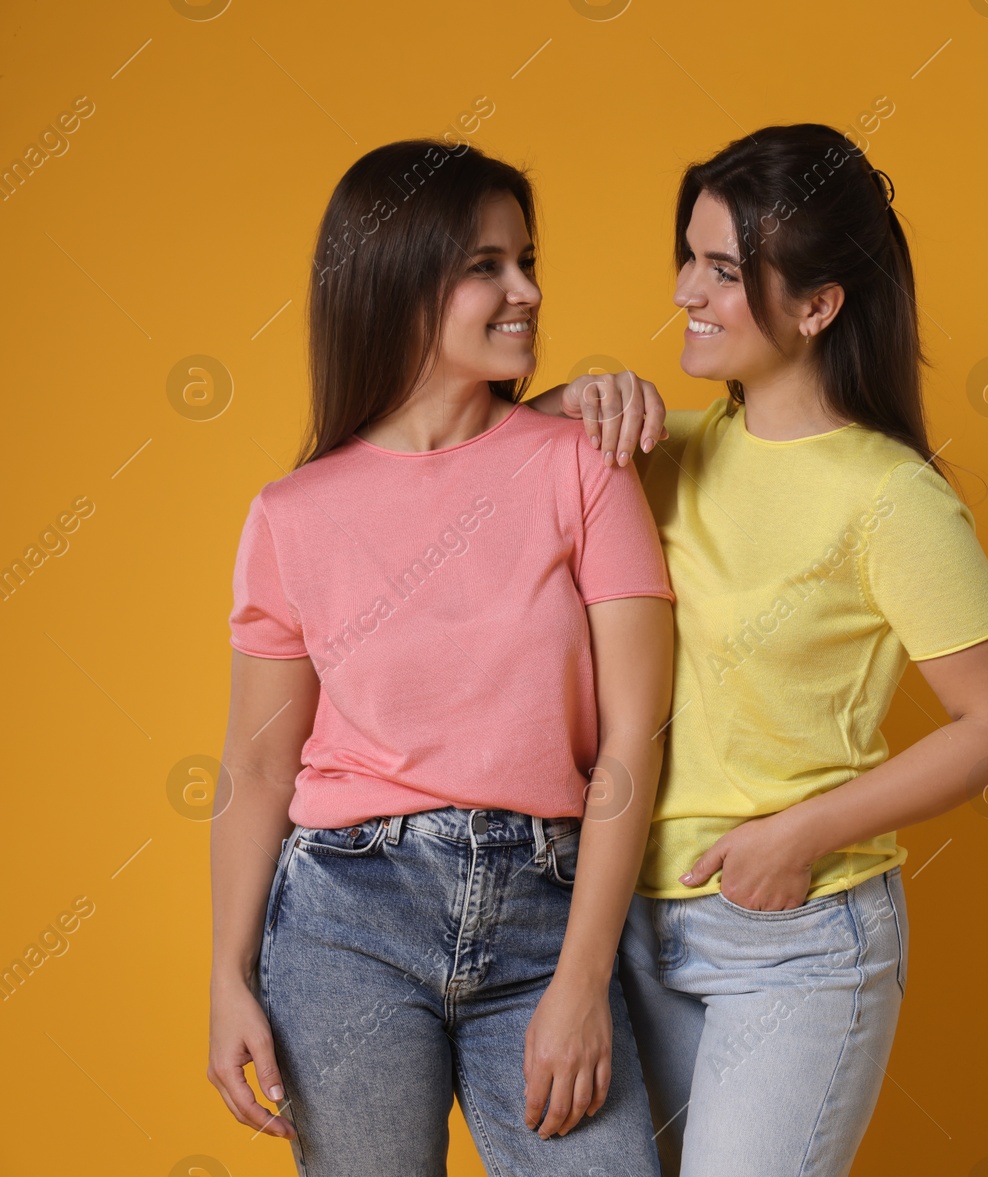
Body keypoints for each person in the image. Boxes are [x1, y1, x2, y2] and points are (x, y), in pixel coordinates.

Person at [531, 123, 988, 1177]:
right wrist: (561, 405)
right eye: (688, 255)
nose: (685, 289)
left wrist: (802, 832)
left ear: (817, 307)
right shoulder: (657, 451)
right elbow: (465, 474)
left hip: (795, 938)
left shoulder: (887, 499)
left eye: (723, 269)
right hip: (623, 928)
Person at [207, 138, 674, 1176]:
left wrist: (583, 977)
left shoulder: (583, 466)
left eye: (528, 260)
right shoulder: (292, 516)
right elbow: (257, 764)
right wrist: (228, 977)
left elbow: (635, 735)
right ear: (396, 283)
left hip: (548, 913)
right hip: (343, 921)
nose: (529, 291)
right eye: (487, 266)